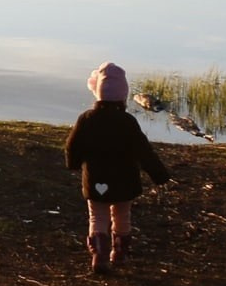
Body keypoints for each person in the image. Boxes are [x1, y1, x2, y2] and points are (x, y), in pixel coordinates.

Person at [64, 61, 169, 275]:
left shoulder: (86, 119)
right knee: (122, 216)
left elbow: (72, 145)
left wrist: (73, 164)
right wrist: (159, 174)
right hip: (124, 181)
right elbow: (143, 151)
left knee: (98, 217)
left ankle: (99, 254)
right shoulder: (127, 121)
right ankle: (119, 253)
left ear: (98, 92)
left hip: (96, 180)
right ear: (123, 96)